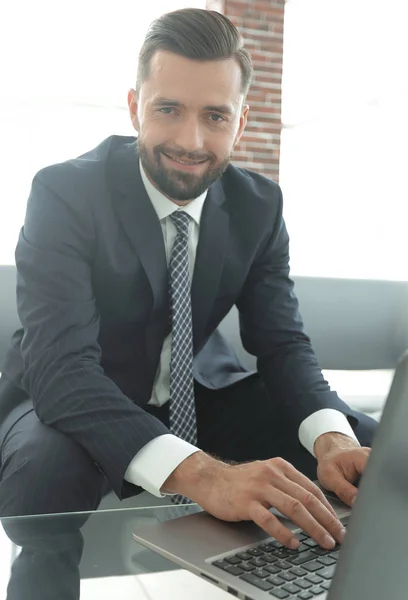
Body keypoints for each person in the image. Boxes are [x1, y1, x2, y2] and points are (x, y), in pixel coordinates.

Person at [0, 7, 376, 600]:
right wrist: (203, 474)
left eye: (215, 116)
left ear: (241, 119)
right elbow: (63, 368)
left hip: (200, 395)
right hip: (71, 396)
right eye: (168, 109)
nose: (190, 141)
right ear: (134, 107)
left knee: (367, 449)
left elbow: (282, 344)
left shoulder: (259, 205)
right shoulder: (64, 191)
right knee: (43, 479)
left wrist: (333, 440)